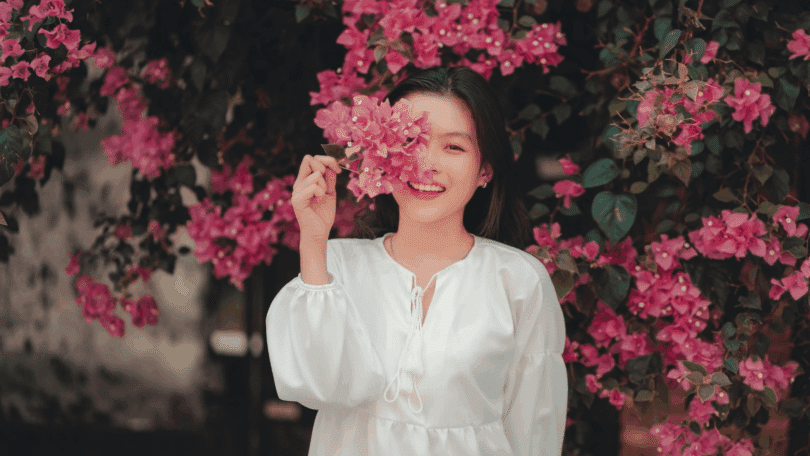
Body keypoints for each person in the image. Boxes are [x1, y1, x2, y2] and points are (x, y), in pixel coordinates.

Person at [266, 66, 568, 455]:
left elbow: (534, 431)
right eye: (412, 140)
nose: (426, 163)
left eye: (454, 147)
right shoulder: (333, 268)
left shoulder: (519, 281)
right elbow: (316, 386)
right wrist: (313, 239)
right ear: (380, 152)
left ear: (485, 171)